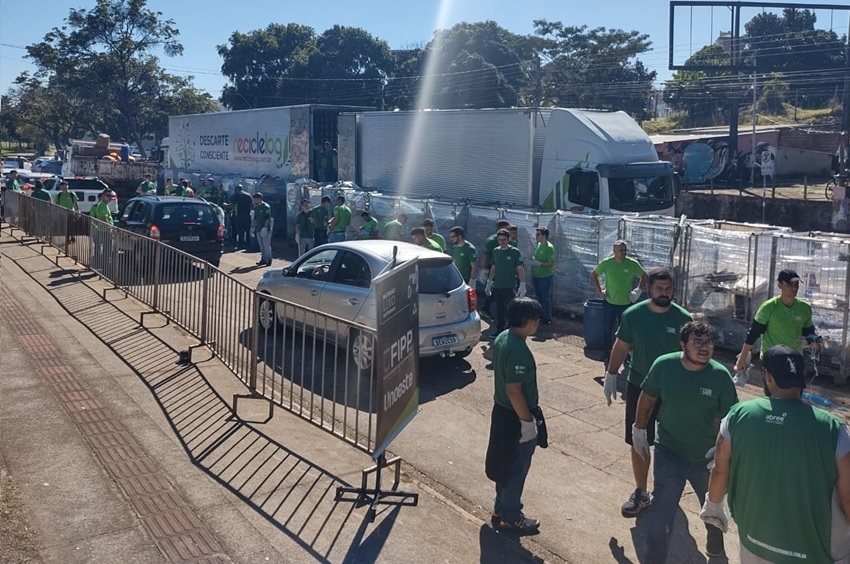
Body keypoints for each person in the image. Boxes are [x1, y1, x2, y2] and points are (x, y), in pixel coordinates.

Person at [701, 344, 850, 564]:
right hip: (818, 552)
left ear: (767, 377)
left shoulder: (738, 416)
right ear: (802, 376)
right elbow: (847, 495)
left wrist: (713, 505)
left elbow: (720, 470)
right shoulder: (832, 428)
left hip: (755, 545)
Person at [635, 321, 738, 562]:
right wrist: (638, 428)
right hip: (669, 450)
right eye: (698, 342)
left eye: (709, 343)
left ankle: (716, 552)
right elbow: (647, 398)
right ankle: (654, 559)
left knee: (712, 509)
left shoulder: (720, 376)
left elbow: (731, 419)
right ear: (683, 344)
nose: (705, 348)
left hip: (707, 458)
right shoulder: (664, 366)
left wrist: (724, 453)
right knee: (662, 510)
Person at [603, 267, 693, 518]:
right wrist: (611, 374)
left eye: (669, 289)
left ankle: (669, 492)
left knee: (674, 444)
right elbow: (621, 346)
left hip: (675, 391)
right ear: (649, 289)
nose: (665, 293)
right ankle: (642, 492)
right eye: (659, 288)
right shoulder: (633, 315)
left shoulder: (684, 318)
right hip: (640, 387)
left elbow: (695, 356)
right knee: (639, 439)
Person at [484, 297, 544, 534]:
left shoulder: (502, 337)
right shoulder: (518, 349)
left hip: (502, 412)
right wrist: (527, 421)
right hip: (515, 415)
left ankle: (500, 508)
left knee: (503, 462)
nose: (538, 323)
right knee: (516, 467)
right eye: (537, 319)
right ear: (528, 320)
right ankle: (511, 515)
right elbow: (514, 389)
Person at [734, 268, 821, 375]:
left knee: (795, 391)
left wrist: (813, 339)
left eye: (796, 284)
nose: (794, 287)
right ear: (780, 285)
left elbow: (808, 330)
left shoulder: (804, 308)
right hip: (772, 360)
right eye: (790, 284)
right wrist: (742, 359)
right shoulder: (769, 307)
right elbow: (753, 334)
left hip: (795, 359)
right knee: (773, 391)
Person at [591, 240, 647, 352]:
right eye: (621, 250)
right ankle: (607, 352)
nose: (624, 252)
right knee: (608, 329)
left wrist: (638, 290)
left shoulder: (632, 263)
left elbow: (644, 275)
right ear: (614, 251)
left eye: (625, 250)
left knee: (625, 331)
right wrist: (600, 290)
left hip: (626, 303)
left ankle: (624, 354)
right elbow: (594, 274)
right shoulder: (607, 263)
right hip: (610, 302)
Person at [485, 228, 526, 337]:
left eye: (504, 240)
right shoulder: (496, 251)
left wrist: (522, 284)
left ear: (508, 240)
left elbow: (520, 268)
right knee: (499, 310)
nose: (502, 242)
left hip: (510, 286)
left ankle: (512, 330)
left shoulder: (514, 252)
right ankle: (500, 330)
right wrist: (489, 282)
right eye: (500, 240)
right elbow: (493, 267)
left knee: (511, 309)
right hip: (498, 286)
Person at [479, 219, 513, 320]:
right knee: (496, 290)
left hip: (503, 269)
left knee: (496, 291)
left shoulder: (508, 240)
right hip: (493, 269)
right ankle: (487, 309)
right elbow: (485, 257)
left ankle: (486, 308)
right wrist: (485, 271)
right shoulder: (491, 241)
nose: (509, 231)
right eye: (507, 229)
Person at [529, 227, 556, 325]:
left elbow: (551, 263)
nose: (536, 236)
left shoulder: (549, 248)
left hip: (545, 276)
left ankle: (547, 317)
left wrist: (539, 264)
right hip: (536, 274)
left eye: (538, 234)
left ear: (544, 236)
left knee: (545, 296)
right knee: (539, 295)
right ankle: (541, 313)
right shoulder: (539, 244)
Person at [252, 192, 272, 266]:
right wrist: (253, 227)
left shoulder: (266, 206)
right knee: (261, 245)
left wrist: (265, 227)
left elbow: (267, 218)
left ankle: (269, 259)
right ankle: (263, 259)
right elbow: (255, 219)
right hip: (258, 228)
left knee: (266, 245)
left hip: (265, 229)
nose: (254, 200)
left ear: (259, 199)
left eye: (255, 199)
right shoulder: (256, 208)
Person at [230, 185, 253, 249]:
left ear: (237, 189)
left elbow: (232, 205)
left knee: (240, 231)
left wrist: (225, 205)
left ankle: (241, 245)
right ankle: (248, 245)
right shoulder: (248, 195)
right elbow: (251, 205)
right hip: (247, 215)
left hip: (239, 215)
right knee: (247, 231)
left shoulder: (236, 195)